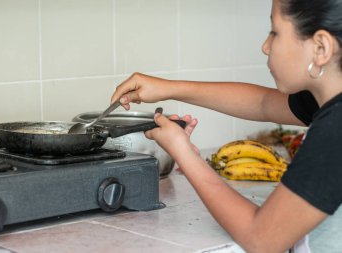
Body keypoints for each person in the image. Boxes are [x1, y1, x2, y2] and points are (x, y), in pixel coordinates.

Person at [111, 0, 342, 252]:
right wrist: (167, 88)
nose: (265, 47)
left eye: (275, 32)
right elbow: (263, 103)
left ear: (321, 47)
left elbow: (261, 238)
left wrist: (184, 153)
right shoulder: (330, 105)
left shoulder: (335, 131)